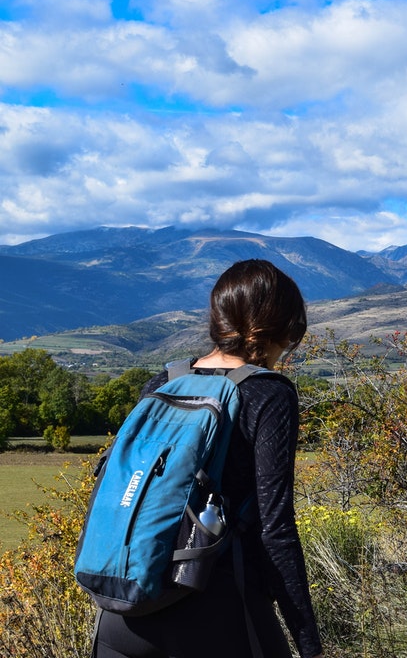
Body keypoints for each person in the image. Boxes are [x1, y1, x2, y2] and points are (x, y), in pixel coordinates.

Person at [93, 259, 324, 658]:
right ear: (279, 328)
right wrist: (308, 642)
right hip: (217, 610)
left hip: (123, 611)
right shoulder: (268, 394)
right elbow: (276, 529)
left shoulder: (163, 383)